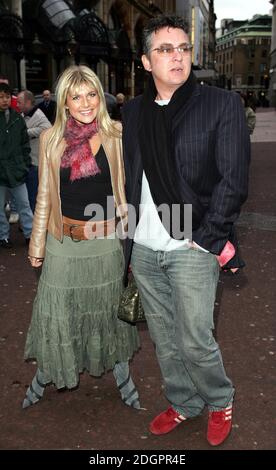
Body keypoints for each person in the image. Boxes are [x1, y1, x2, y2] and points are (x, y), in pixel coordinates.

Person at [122, 15, 250, 446]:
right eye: (164, 49)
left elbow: (233, 181)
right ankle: (184, 400)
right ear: (145, 61)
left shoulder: (220, 104)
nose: (177, 56)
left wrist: (208, 238)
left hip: (191, 244)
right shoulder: (134, 110)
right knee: (163, 338)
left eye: (182, 48)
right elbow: (131, 174)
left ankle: (219, 398)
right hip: (144, 246)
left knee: (195, 340)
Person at [23, 65, 140, 411]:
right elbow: (44, 195)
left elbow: (132, 189)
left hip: (105, 244)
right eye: (76, 96)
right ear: (65, 103)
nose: (86, 103)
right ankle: (44, 375)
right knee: (57, 314)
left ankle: (122, 376)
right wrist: (36, 246)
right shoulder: (50, 139)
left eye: (91, 94)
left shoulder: (117, 134)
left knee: (108, 315)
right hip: (63, 243)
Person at [0, 82, 33, 248]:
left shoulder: (17, 119)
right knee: (0, 209)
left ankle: (30, 235)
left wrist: (24, 165)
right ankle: (3, 236)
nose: (4, 100)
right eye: (0, 97)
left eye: (6, 97)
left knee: (24, 205)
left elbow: (25, 144)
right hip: (0, 173)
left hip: (16, 170)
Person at [17, 90, 51, 212]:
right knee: (26, 196)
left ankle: (34, 225)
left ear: (28, 102)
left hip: (34, 162)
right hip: (26, 162)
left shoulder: (38, 115)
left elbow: (48, 129)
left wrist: (26, 133)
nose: (17, 105)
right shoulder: (23, 115)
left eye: (20, 102)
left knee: (32, 196)